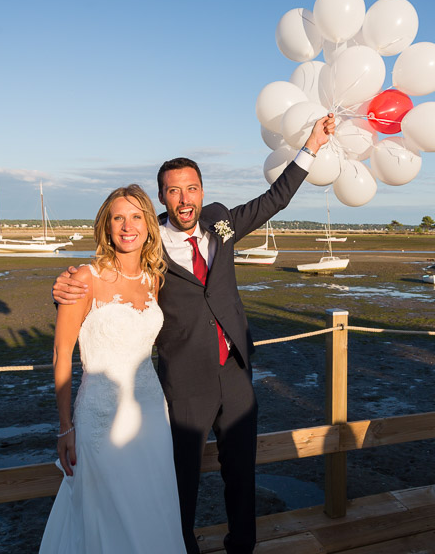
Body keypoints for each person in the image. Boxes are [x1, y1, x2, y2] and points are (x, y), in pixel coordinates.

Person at [52, 114, 335, 554]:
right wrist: (65, 286)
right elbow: (110, 287)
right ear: (161, 198)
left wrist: (312, 144)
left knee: (241, 475)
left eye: (192, 188)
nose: (184, 199)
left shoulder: (221, 221)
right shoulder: (148, 248)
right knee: (176, 482)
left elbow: (274, 199)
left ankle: (242, 546)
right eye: (173, 191)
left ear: (202, 191)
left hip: (236, 374)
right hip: (182, 384)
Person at [39, 185, 186, 553]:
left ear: (149, 226)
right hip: (100, 420)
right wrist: (64, 426)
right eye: (118, 217)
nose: (127, 225)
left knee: (153, 508)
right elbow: (61, 353)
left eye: (137, 216)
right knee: (108, 514)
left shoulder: (153, 279)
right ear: (106, 226)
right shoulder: (84, 278)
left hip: (152, 416)